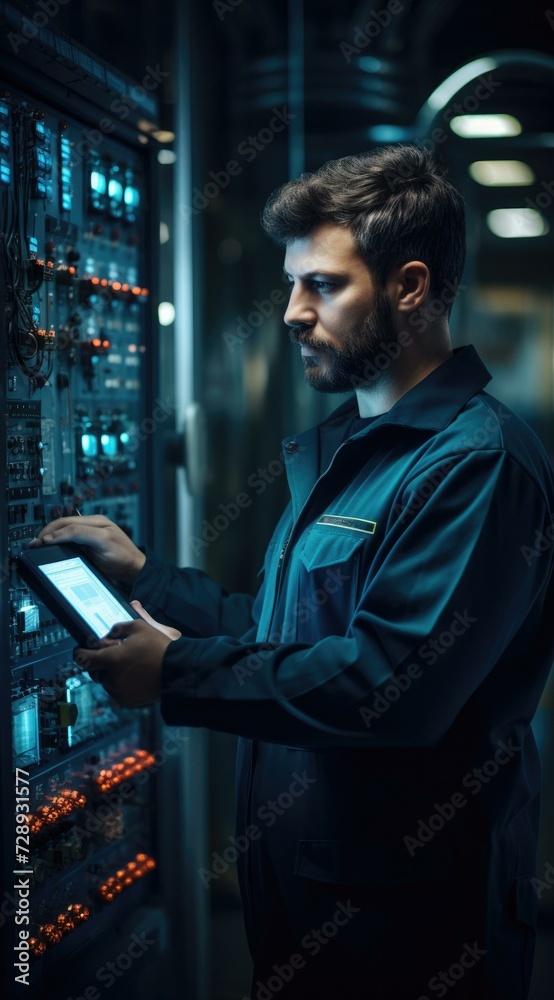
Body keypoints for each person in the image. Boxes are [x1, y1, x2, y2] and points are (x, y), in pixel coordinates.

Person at [32, 145, 554, 1000]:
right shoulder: (356, 450)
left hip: (409, 939)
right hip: (312, 914)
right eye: (291, 284)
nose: (292, 313)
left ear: (411, 287)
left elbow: (390, 685)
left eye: (323, 285)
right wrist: (152, 580)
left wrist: (174, 674)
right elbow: (293, 632)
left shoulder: (476, 466)